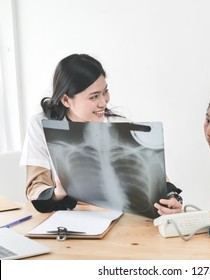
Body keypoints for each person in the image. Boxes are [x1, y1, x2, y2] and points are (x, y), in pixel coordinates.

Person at [20, 54, 182, 214]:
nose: (104, 102)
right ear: (66, 100)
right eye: (94, 96)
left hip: (123, 221)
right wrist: (57, 192)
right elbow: (35, 188)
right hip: (68, 219)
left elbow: (158, 183)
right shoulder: (41, 124)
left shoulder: (121, 125)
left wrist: (171, 197)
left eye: (105, 92)